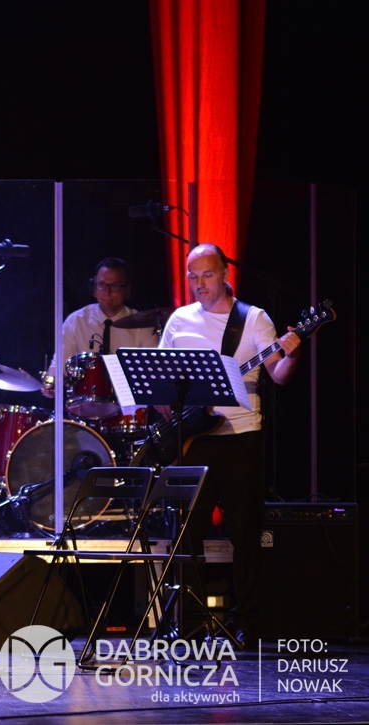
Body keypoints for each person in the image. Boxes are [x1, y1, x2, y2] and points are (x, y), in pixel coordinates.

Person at [158, 243, 300, 647]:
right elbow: (161, 377)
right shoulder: (179, 320)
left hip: (240, 437)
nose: (199, 284)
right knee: (186, 535)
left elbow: (279, 375)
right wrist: (171, 414)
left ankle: (247, 625)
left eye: (207, 275)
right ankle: (190, 623)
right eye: (193, 276)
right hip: (193, 441)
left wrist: (292, 355)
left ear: (225, 274)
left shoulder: (253, 318)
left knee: (245, 535)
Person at [41, 257, 158, 400]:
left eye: (115, 286)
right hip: (85, 404)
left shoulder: (142, 324)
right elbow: (60, 363)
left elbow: (152, 370)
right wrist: (52, 382)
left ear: (126, 290)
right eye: (101, 285)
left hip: (129, 404)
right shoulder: (76, 321)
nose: (107, 292)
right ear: (94, 288)